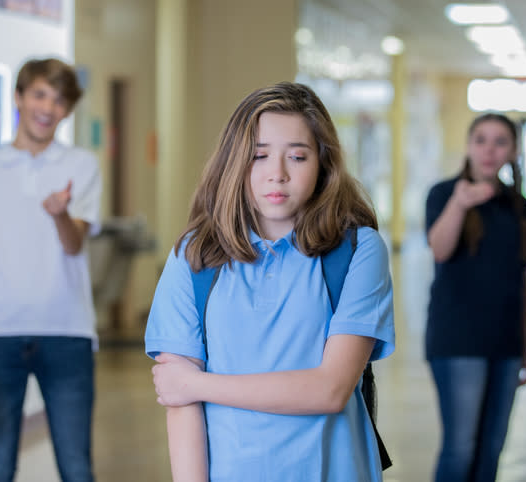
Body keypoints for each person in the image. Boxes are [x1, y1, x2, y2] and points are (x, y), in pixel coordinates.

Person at [144, 82, 395, 482]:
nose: (276, 174)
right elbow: (180, 401)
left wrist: (199, 384)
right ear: (234, 162)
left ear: (323, 164)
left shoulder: (357, 251)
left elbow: (330, 390)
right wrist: (188, 387)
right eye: (259, 156)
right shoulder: (193, 256)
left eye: (297, 156)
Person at [0, 58, 102, 482]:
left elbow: (74, 244)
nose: (47, 107)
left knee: (76, 467)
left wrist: (60, 214)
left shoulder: (82, 166)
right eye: (39, 94)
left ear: (67, 110)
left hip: (68, 333)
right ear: (18, 97)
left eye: (59, 100)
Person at [424, 113, 526, 482]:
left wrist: (524, 346)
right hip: (458, 341)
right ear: (469, 146)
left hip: (505, 343)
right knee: (461, 448)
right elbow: (439, 249)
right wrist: (461, 204)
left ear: (513, 151)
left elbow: (524, 282)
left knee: (492, 449)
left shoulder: (518, 205)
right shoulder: (444, 193)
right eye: (481, 140)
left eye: (500, 141)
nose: (489, 150)